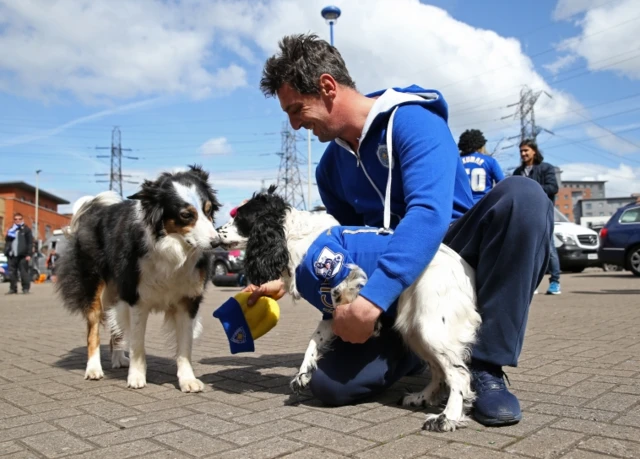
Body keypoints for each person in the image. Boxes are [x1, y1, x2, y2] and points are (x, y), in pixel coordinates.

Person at [248, 33, 553, 427]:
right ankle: (418, 344)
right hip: (397, 291)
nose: (294, 124)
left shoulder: (413, 120)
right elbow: (346, 247)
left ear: (326, 87)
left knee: (524, 198)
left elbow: (428, 214)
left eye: (295, 109)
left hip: (452, 252)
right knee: (329, 386)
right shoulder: (329, 169)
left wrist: (371, 300)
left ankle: (485, 365)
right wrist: (287, 279)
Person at [513, 140, 561, 295]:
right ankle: (532, 283)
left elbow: (553, 188)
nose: (523, 154)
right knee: (528, 249)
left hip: (543, 212)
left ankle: (555, 282)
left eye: (526, 150)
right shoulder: (518, 172)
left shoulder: (546, 168)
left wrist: (531, 188)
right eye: (521, 151)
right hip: (525, 215)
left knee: (550, 248)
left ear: (534, 151)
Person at [458, 129, 505, 203]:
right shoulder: (490, 161)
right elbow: (503, 184)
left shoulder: (457, 162)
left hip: (463, 206)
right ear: (481, 145)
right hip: (484, 205)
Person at [4, 213, 34, 294]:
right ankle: (13, 289)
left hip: (22, 255)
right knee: (12, 273)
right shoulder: (11, 229)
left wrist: (29, 254)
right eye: (16, 219)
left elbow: (30, 243)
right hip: (11, 254)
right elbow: (7, 241)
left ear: (22, 220)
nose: (17, 220)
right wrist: (6, 236)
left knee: (24, 272)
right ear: (14, 220)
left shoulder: (26, 229)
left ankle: (25, 289)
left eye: (19, 219)